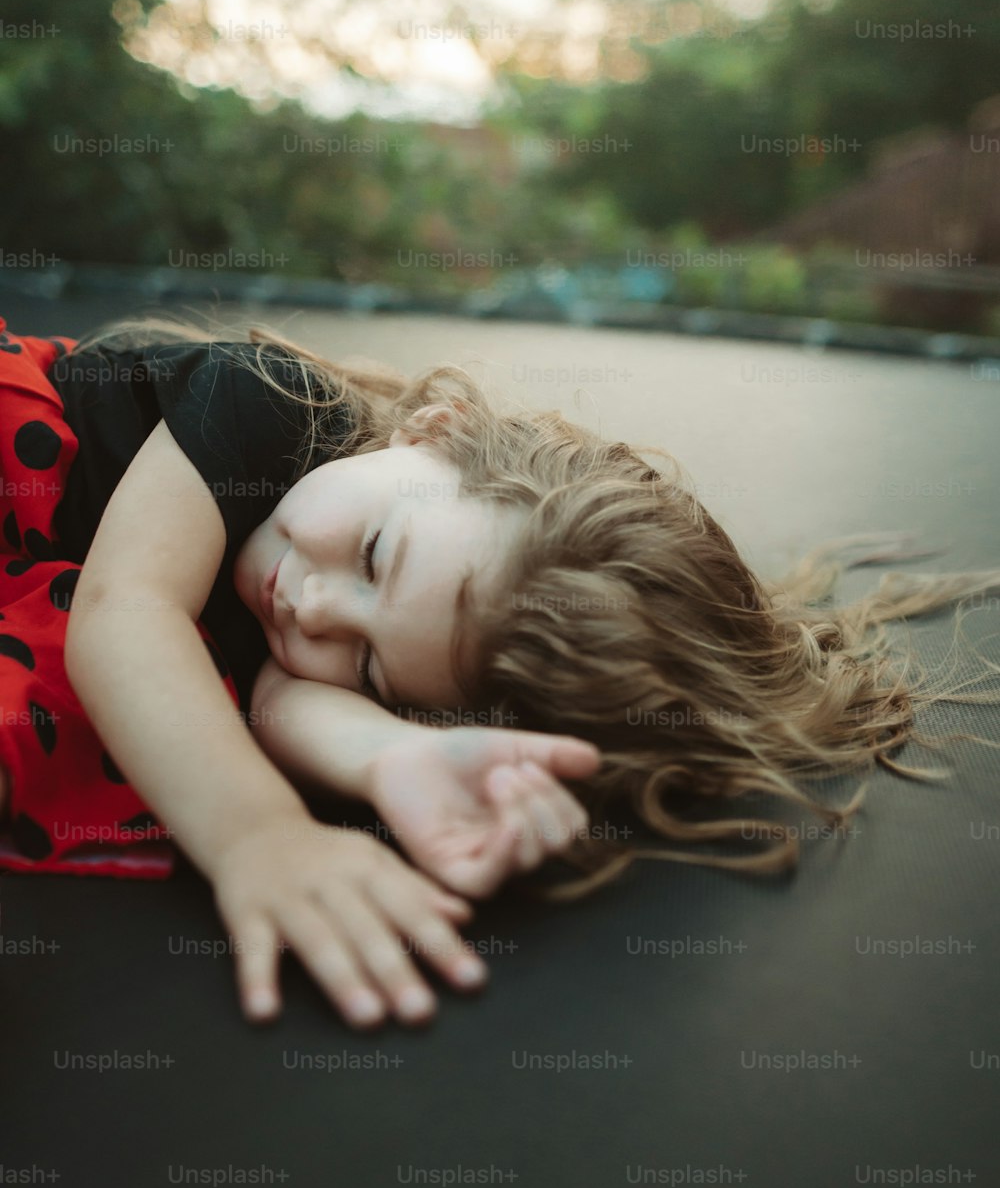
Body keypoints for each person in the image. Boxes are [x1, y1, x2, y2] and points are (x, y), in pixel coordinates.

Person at [1, 313, 998, 1030]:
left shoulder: (301, 633)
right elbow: (128, 612)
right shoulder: (268, 404)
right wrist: (262, 837)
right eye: (377, 556)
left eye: (372, 665)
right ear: (431, 435)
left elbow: (274, 700)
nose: (312, 607)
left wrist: (392, 757)